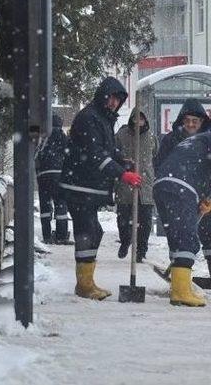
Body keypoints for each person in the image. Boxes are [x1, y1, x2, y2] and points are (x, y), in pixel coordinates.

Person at [59, 77, 142, 300]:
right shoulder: (89, 118)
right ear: (103, 95)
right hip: (79, 186)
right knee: (88, 232)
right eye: (112, 97)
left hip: (89, 188)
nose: (114, 103)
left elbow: (109, 152)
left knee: (94, 231)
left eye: (118, 100)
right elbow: (95, 155)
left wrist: (123, 163)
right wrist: (121, 173)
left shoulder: (104, 120)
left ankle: (86, 281)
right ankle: (84, 284)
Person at [153, 98, 211, 277]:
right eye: (187, 121)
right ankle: (180, 273)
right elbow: (161, 162)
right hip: (181, 192)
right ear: (181, 121)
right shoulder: (172, 139)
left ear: (202, 121)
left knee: (209, 234)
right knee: (180, 231)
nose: (191, 125)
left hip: (207, 192)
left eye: (195, 121)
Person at [153, 125, 211, 307]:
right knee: (187, 239)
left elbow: (198, 167)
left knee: (176, 237)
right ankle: (181, 292)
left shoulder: (193, 141)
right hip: (181, 186)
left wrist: (204, 196)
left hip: (161, 185)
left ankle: (178, 287)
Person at [114, 110, 158, 262]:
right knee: (123, 219)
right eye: (135, 118)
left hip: (145, 185)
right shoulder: (121, 136)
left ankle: (141, 250)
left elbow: (155, 157)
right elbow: (114, 155)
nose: (138, 121)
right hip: (125, 183)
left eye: (141, 118)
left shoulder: (151, 137)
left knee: (145, 222)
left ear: (145, 120)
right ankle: (125, 241)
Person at [35, 114, 70, 244]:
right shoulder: (63, 136)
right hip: (59, 174)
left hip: (43, 175)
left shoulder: (43, 137)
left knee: (45, 205)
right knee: (61, 204)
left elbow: (36, 155)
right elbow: (70, 155)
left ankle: (47, 236)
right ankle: (61, 236)